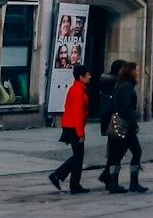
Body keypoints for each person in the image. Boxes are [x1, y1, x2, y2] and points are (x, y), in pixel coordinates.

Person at [100, 61, 146, 193]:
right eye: (136, 70)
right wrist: (133, 123)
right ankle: (133, 183)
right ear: (130, 72)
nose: (137, 72)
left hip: (117, 123)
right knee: (136, 151)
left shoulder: (119, 85)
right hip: (125, 124)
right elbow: (126, 107)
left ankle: (113, 182)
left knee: (116, 154)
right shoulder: (127, 87)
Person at [49, 64, 93, 194]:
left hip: (70, 125)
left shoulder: (75, 89)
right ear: (81, 76)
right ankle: (65, 179)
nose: (90, 77)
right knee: (78, 156)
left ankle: (69, 181)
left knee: (77, 156)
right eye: (88, 75)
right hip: (73, 127)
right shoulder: (78, 92)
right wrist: (81, 133)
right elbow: (78, 114)